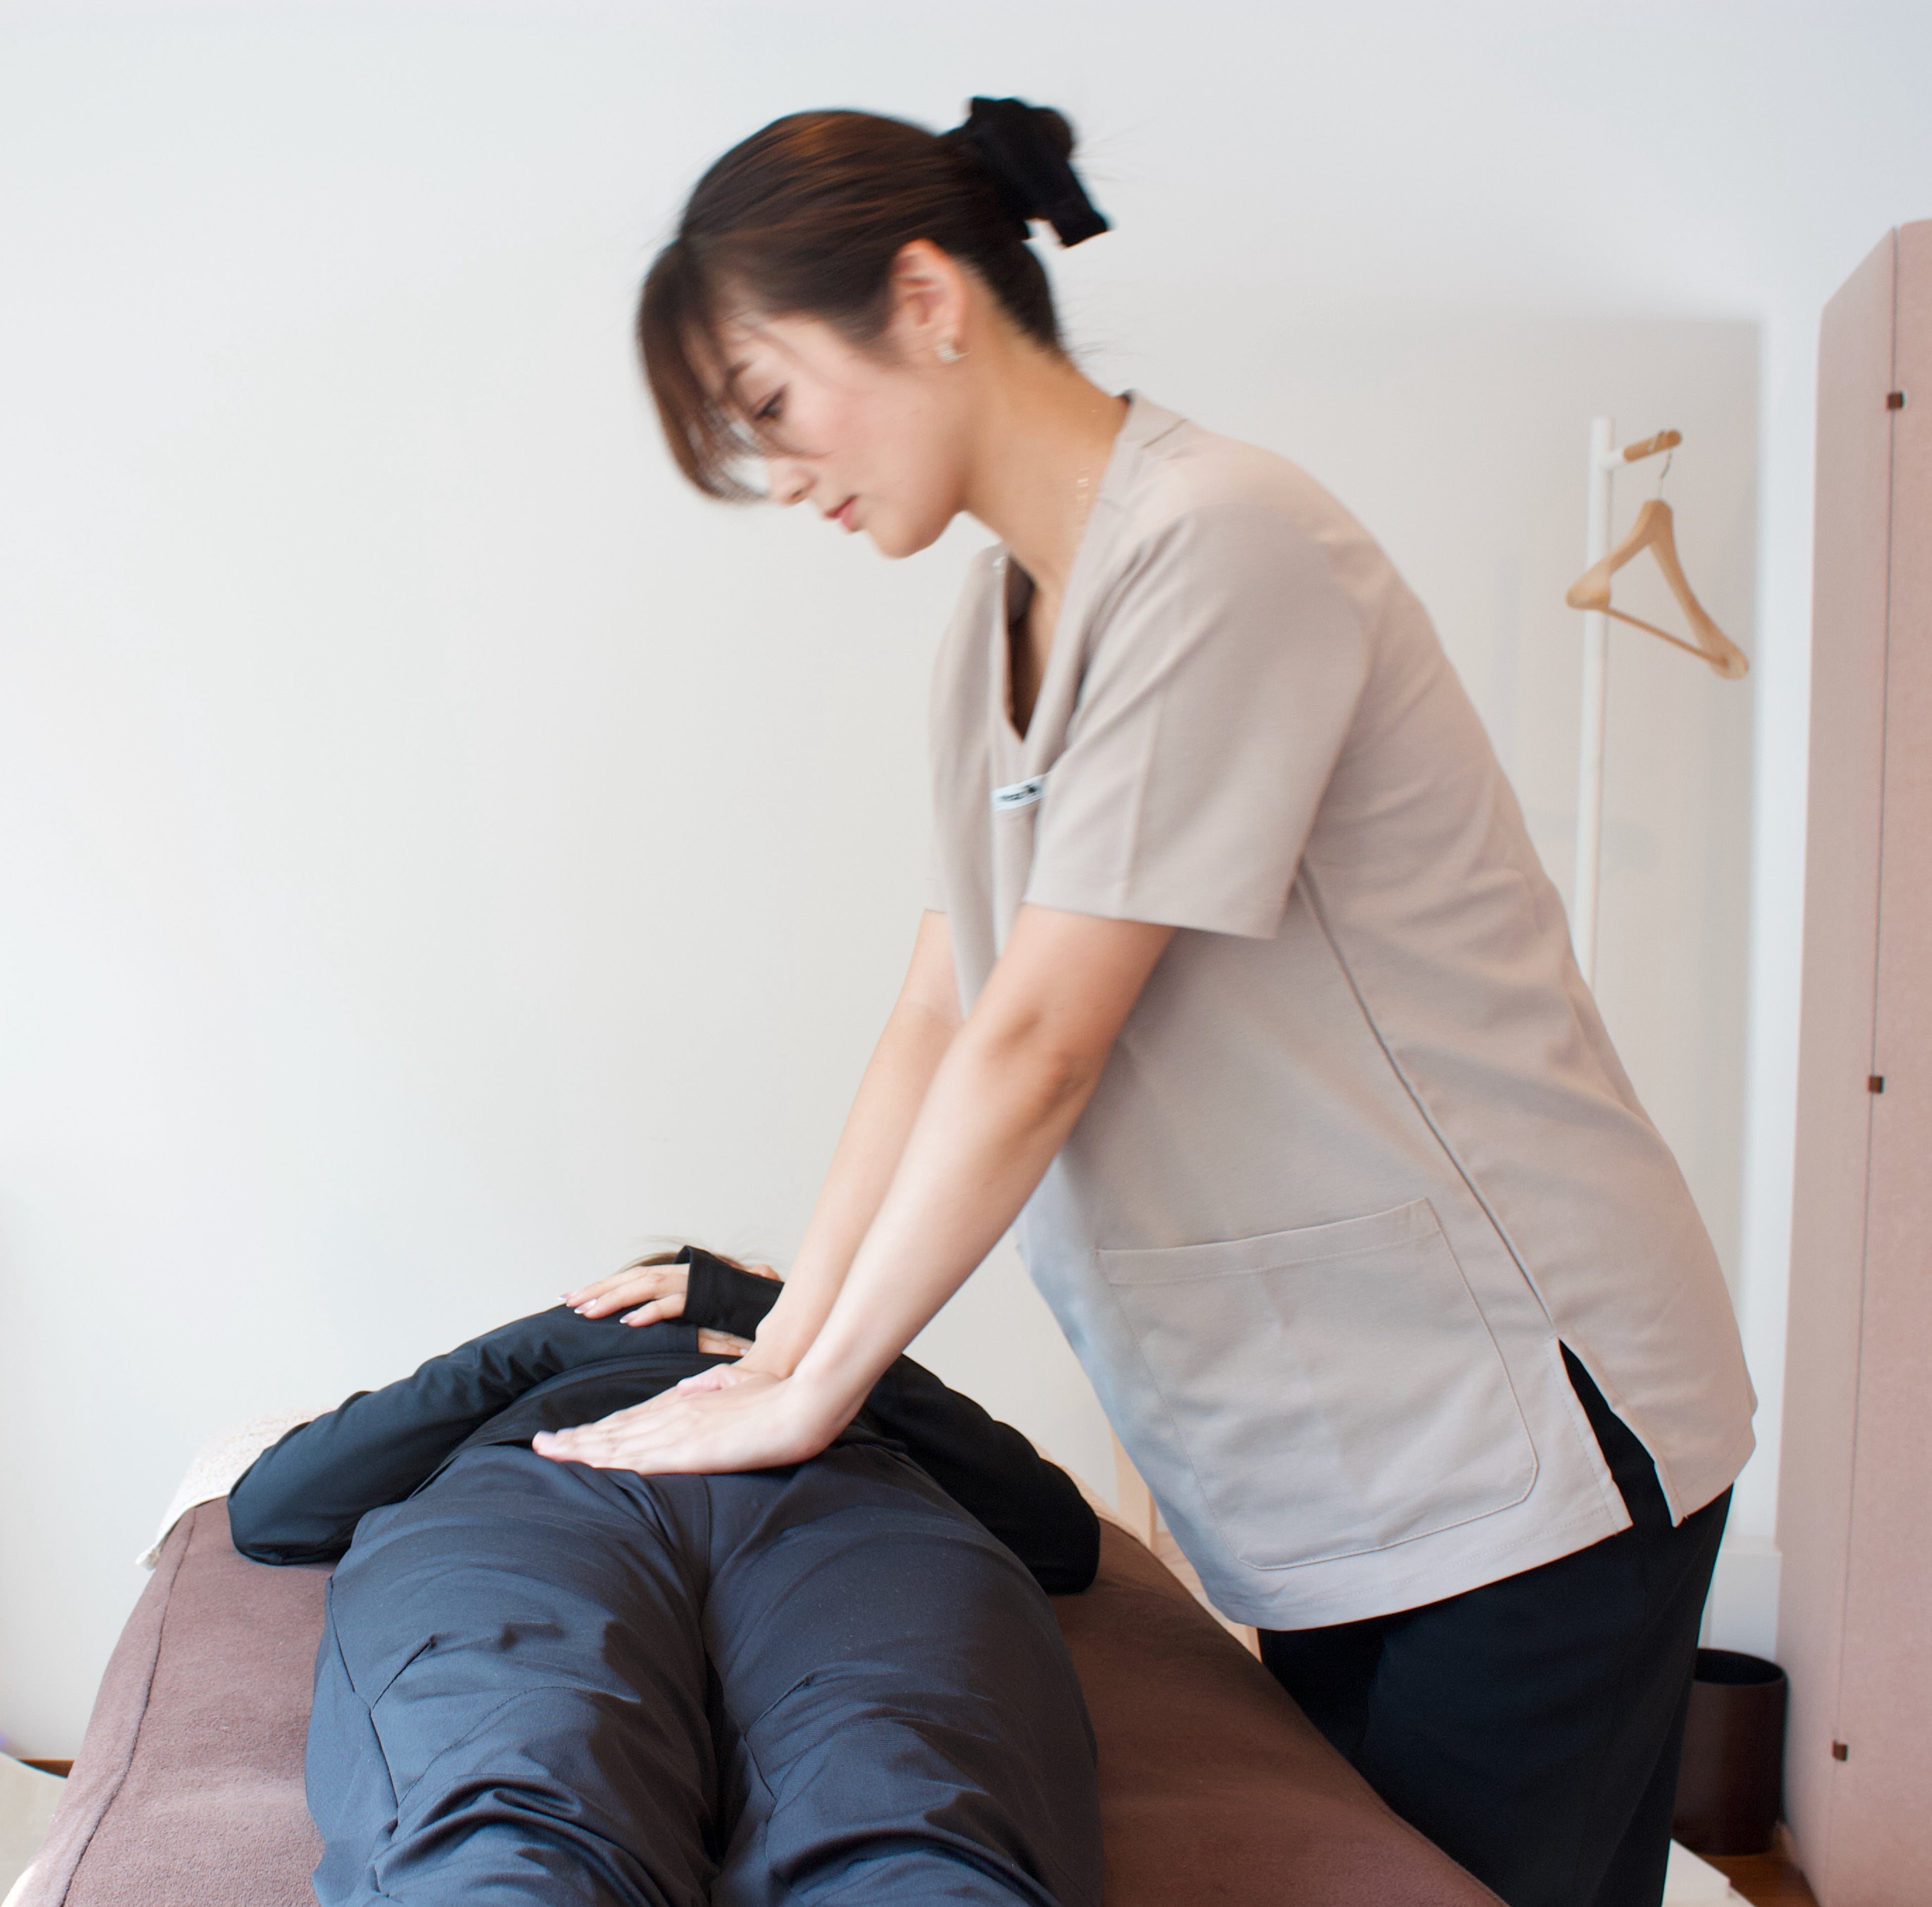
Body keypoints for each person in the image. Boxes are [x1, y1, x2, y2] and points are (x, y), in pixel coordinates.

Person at [534, 99, 1757, 1907]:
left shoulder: (1221, 543)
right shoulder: (995, 623)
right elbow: (942, 1015)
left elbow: (1043, 1042)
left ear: (927, 299)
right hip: (1320, 1443)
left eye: (773, 405)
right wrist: (786, 1343)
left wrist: (817, 1395)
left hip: (1513, 1421)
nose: (780, 476)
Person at [228, 1248, 1103, 1907]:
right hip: (543, 1490)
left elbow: (1060, 1535)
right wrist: (558, 1337)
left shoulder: (834, 1370)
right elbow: (273, 1507)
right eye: (644, 1296)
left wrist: (804, 1327)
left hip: (845, 1500)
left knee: (907, 1797)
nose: (683, 1303)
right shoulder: (547, 1367)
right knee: (516, 1795)